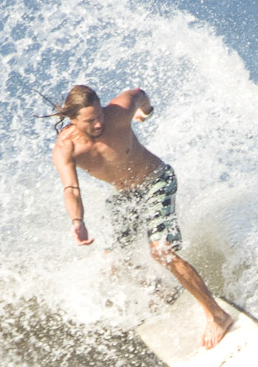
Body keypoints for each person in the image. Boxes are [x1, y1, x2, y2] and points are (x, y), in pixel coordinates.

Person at [50, 83, 236, 349]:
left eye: (100, 115)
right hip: (126, 195)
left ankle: (217, 315)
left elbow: (138, 93)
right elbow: (71, 189)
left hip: (156, 180)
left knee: (161, 251)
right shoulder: (65, 149)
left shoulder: (117, 113)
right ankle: (163, 292)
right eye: (90, 121)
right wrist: (77, 221)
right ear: (72, 119)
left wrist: (145, 112)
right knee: (114, 260)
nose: (99, 124)